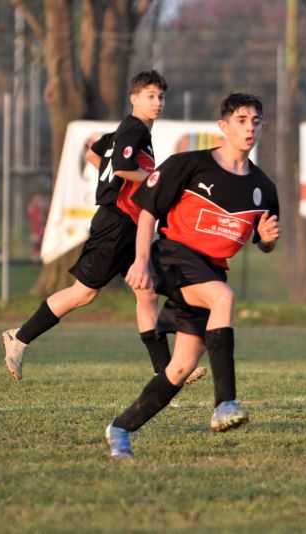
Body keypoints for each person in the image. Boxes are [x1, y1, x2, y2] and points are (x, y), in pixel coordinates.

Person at [104, 92, 280, 459]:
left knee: (181, 367)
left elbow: (263, 243)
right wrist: (140, 260)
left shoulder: (263, 188)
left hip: (210, 272)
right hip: (174, 256)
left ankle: (120, 428)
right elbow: (147, 212)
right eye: (241, 121)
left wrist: (265, 241)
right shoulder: (189, 164)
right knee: (224, 299)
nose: (250, 128)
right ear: (223, 126)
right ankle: (225, 403)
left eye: (256, 121)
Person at [1, 70, 202, 385]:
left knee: (147, 292)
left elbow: (93, 154)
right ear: (134, 98)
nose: (157, 102)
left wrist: (122, 183)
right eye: (150, 96)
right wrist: (156, 181)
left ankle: (164, 370)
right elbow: (122, 168)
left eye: (161, 96)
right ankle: (20, 337)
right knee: (83, 293)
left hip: (129, 225)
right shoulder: (134, 129)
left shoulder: (127, 130)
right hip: (116, 224)